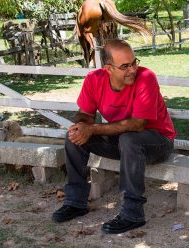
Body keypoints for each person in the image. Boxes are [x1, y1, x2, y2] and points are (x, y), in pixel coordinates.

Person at [52, 39, 176, 234]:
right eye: (125, 66)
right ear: (108, 68)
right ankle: (75, 202)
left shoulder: (146, 77)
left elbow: (138, 125)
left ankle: (132, 213)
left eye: (134, 62)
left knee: (129, 139)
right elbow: (84, 114)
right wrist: (82, 126)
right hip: (124, 142)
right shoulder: (94, 80)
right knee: (74, 137)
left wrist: (92, 129)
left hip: (158, 141)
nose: (132, 69)